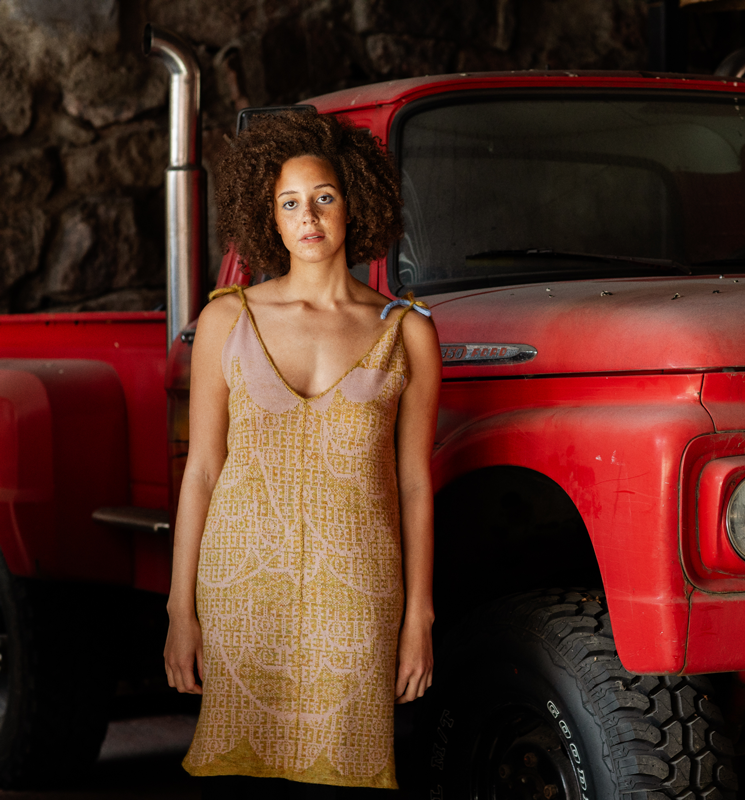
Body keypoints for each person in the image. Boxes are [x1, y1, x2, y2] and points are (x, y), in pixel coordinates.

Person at [162, 111, 439, 798]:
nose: (307, 216)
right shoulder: (227, 318)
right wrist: (179, 610)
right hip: (240, 587)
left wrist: (419, 617)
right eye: (288, 203)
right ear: (270, 219)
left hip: (357, 590)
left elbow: (414, 485)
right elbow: (202, 471)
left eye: (323, 197)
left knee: (349, 771)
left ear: (355, 203)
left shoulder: (408, 332)